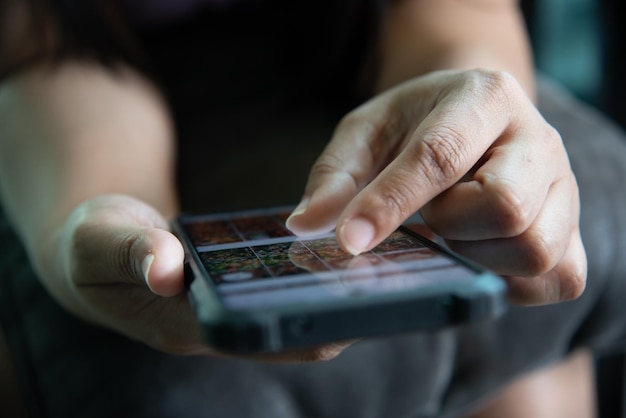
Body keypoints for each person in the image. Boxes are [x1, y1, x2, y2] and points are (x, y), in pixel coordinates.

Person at [0, 0, 624, 417]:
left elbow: (453, 14)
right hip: (114, 78)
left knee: (528, 366)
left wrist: (464, 118)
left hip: (366, 50)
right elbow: (55, 51)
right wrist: (80, 215)